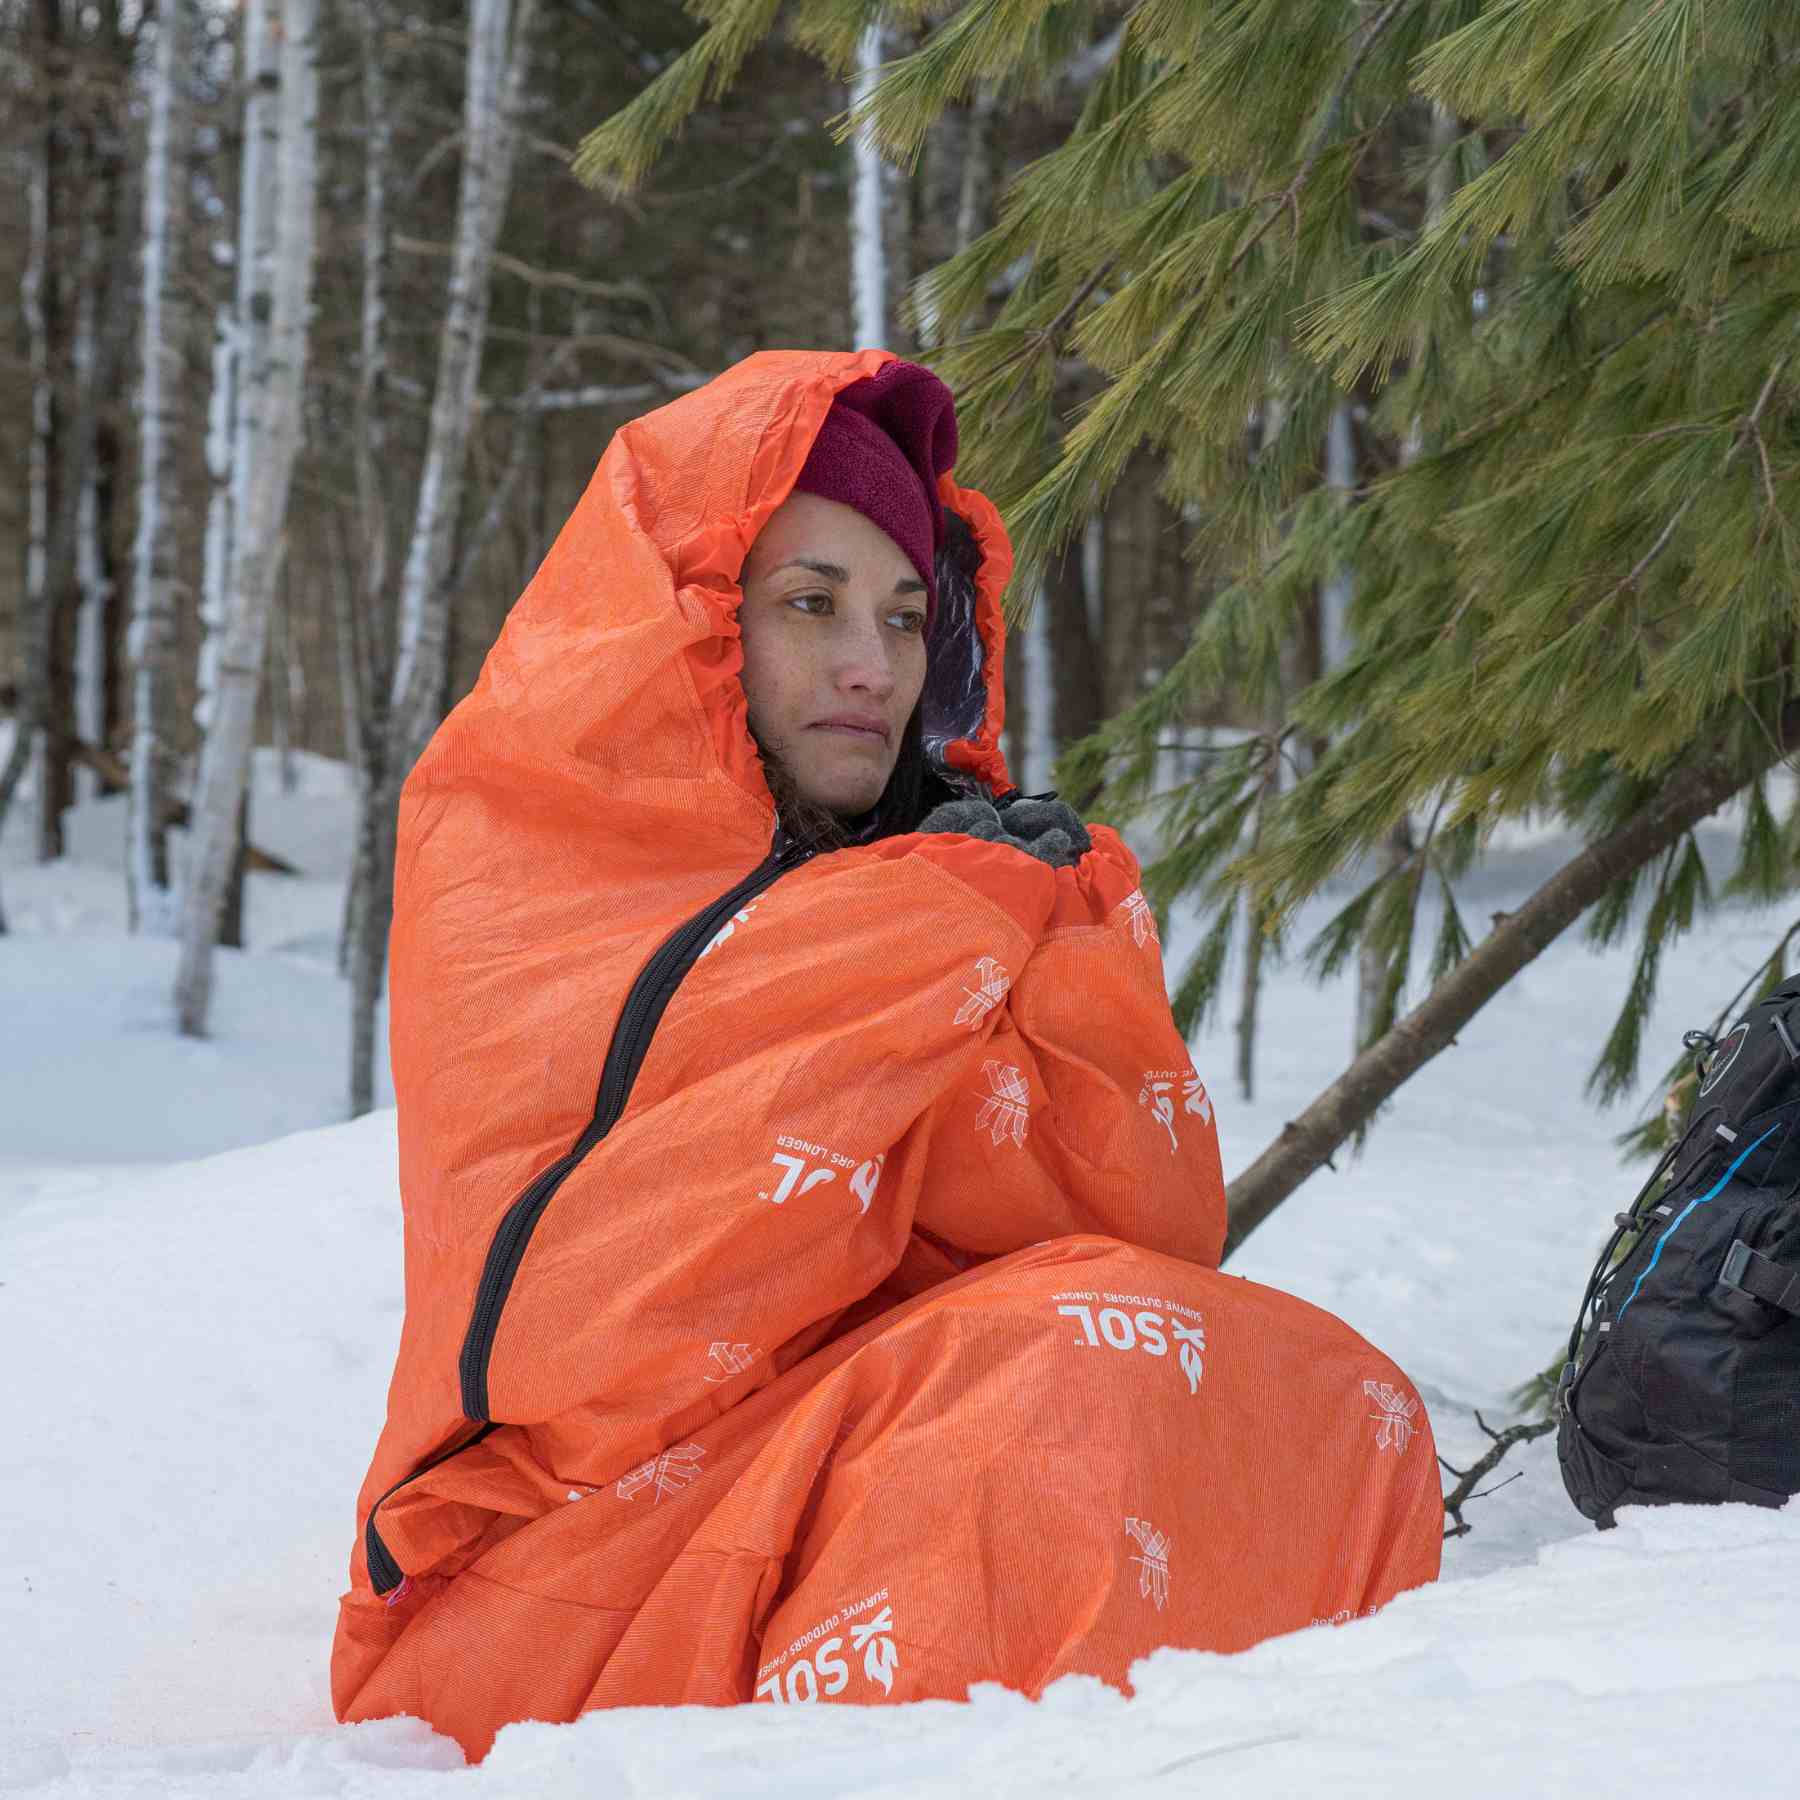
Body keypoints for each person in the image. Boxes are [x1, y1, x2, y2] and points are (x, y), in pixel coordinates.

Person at [332, 350, 1442, 1761]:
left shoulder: (939, 880)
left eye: (908, 617)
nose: (873, 665)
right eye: (810, 605)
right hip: (537, 1587)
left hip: (831, 1483)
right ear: (689, 629)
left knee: (1336, 1403)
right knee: (1048, 1409)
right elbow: (596, 1342)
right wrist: (930, 935)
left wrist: (1061, 942)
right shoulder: (529, 847)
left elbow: (1138, 1240)